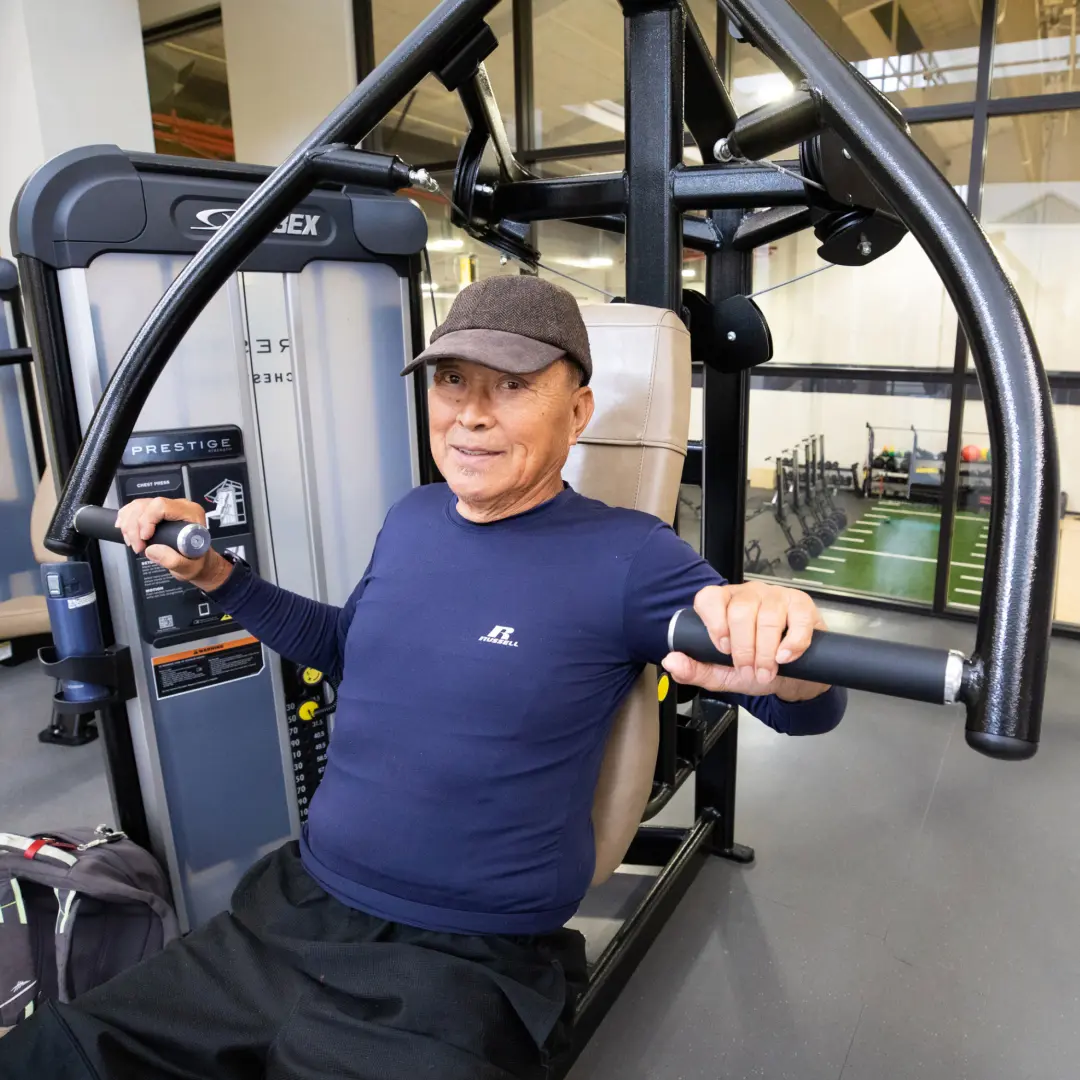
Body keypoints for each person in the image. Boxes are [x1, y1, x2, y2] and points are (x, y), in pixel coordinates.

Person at [0, 276, 846, 1080]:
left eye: (513, 386)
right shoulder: (412, 516)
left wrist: (783, 632)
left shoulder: (629, 555)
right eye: (451, 381)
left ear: (579, 410)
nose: (471, 415)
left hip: (461, 966)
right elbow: (346, 646)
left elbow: (803, 710)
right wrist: (217, 577)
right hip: (286, 915)